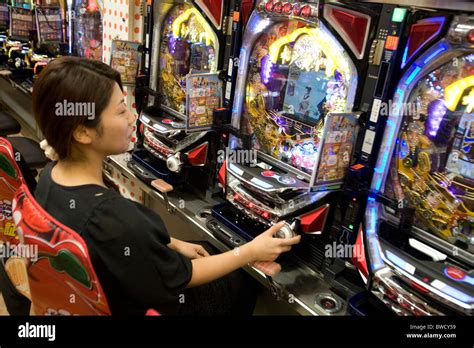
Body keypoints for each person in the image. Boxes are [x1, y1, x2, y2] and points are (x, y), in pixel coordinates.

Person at [31, 57, 301, 316]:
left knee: (208, 247)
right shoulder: (114, 216)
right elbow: (182, 278)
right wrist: (251, 252)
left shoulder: (50, 176)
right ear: (82, 132)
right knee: (243, 278)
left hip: (116, 286)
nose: (130, 118)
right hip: (143, 304)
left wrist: (172, 243)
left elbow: (121, 242)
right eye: (120, 110)